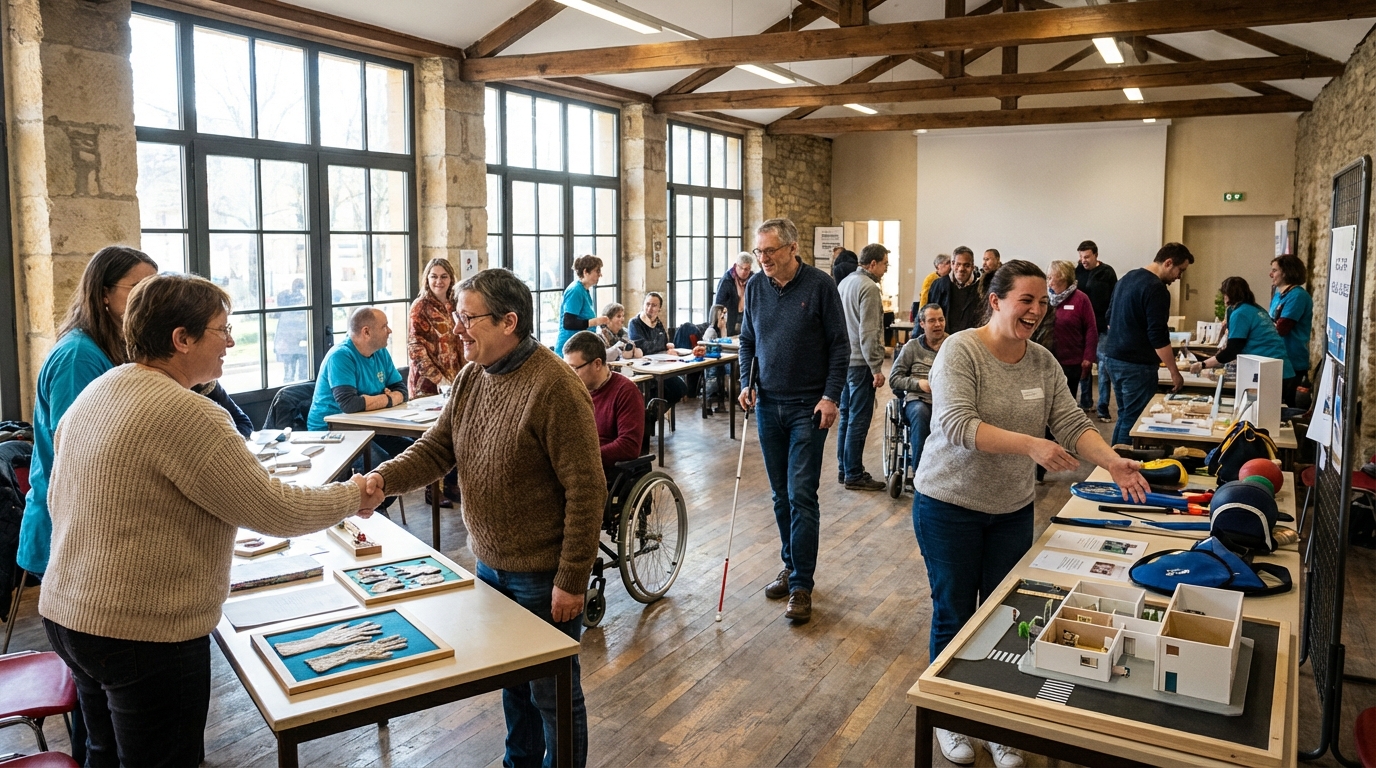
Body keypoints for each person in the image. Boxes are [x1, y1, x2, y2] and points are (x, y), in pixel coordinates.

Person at [40, 273, 381, 768]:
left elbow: (59, 499)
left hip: (70, 612)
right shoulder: (187, 413)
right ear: (182, 339)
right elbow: (274, 509)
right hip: (142, 631)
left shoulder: (99, 390)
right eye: (222, 330)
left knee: (104, 754)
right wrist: (352, 495)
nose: (231, 342)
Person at [363, 268, 604, 768]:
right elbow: (437, 449)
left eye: (468, 318)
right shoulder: (472, 378)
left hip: (543, 574)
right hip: (491, 566)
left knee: (553, 693)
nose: (457, 328)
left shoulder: (555, 386)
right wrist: (383, 480)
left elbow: (587, 490)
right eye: (457, 316)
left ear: (508, 322)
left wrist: (571, 579)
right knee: (514, 686)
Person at [913, 261, 1148, 768]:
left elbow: (1070, 421)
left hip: (1011, 509)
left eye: (1043, 302)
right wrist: (1031, 445)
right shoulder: (960, 350)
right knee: (956, 613)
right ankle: (952, 715)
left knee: (1008, 615)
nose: (1037, 310)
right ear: (995, 301)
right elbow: (956, 424)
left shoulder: (1041, 360)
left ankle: (998, 722)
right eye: (1027, 300)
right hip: (949, 505)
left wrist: (1112, 462)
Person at [17, 245, 158, 579]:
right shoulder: (78, 356)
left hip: (95, 518)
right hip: (68, 528)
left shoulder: (116, 345)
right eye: (138, 288)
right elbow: (78, 447)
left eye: (154, 287)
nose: (150, 299)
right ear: (104, 294)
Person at [738, 218, 849, 624]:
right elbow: (747, 340)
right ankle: (790, 565)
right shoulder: (755, 286)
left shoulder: (820, 285)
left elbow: (840, 346)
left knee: (801, 494)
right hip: (768, 404)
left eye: (770, 251)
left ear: (792, 248)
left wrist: (830, 396)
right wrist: (745, 381)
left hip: (808, 407)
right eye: (759, 251)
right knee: (780, 496)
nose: (763, 259)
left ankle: (802, 584)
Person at [1098, 243, 1194, 447]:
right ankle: (1122, 460)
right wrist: (1174, 372)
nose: (1179, 277)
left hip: (1113, 357)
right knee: (1135, 419)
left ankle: (1114, 457)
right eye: (1180, 270)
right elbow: (1158, 335)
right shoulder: (1156, 288)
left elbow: (1109, 318)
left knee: (1125, 414)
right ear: (1168, 263)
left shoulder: (1126, 278)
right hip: (1136, 365)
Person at [308, 307, 412, 477]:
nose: (390, 331)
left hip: (369, 425)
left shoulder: (380, 352)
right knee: (381, 467)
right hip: (332, 431)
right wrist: (389, 398)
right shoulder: (341, 356)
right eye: (384, 326)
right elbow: (350, 404)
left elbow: (401, 390)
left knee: (413, 451)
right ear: (366, 332)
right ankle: (366, 495)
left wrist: (372, 400)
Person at [1191, 276, 1298, 403]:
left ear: (1228, 295)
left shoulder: (1240, 313)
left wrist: (1203, 364)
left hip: (1270, 373)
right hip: (1283, 370)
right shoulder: (1255, 309)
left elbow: (1232, 350)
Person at [836, 243, 890, 491]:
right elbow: (869, 332)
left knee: (846, 416)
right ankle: (854, 473)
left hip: (844, 361)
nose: (886, 270)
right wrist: (876, 367)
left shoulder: (845, 283)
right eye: (885, 264)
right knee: (858, 419)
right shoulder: (868, 287)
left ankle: (844, 468)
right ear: (873, 264)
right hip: (860, 363)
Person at [564, 331, 645, 473]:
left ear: (597, 364)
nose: (570, 376)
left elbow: (629, 446)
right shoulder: (575, 391)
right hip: (576, 463)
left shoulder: (626, 392)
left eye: (574, 369)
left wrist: (586, 458)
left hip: (604, 469)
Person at [889, 303, 947, 475]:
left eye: (941, 319)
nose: (938, 324)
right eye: (932, 321)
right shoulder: (912, 347)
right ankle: (921, 474)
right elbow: (894, 379)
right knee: (921, 413)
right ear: (922, 324)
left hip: (946, 400)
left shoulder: (953, 344)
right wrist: (919, 384)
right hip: (918, 400)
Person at [1074, 241, 1118, 423]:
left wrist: (1111, 322)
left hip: (1102, 326)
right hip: (1082, 326)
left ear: (1096, 255)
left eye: (1086, 257)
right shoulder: (1077, 271)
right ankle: (1085, 403)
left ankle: (1103, 408)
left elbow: (1115, 298)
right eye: (1081, 257)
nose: (1083, 260)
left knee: (1103, 369)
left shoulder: (1107, 272)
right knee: (1083, 365)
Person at [409, 257, 464, 398]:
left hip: (455, 376)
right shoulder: (420, 306)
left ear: (451, 279)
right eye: (434, 276)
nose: (439, 281)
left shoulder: (456, 304)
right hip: (427, 383)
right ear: (427, 279)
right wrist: (440, 380)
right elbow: (415, 349)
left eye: (444, 277)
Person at [1047, 260, 1099, 397]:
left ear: (1063, 277)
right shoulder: (1045, 299)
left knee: (1067, 400)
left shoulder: (1081, 299)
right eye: (1048, 277)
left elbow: (1091, 329)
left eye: (1051, 277)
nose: (1048, 282)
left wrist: (1088, 358)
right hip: (1047, 360)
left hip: (1071, 363)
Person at [628, 292, 688, 408]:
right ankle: (652, 413)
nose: (650, 308)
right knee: (666, 390)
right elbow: (643, 347)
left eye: (654, 305)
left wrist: (663, 345)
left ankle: (655, 413)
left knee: (681, 388)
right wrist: (659, 343)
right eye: (647, 304)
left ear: (659, 308)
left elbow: (665, 342)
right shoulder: (635, 322)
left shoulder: (657, 322)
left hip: (660, 365)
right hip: (644, 367)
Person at [1268, 253, 1313, 385]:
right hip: (1276, 357)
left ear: (1286, 272)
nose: (1270, 274)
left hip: (1291, 361)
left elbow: (1281, 328)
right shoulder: (1278, 295)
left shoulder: (1297, 296)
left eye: (1274, 270)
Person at [556, 255, 609, 354]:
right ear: (585, 272)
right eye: (597, 271)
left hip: (579, 348)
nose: (600, 274)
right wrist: (595, 321)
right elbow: (568, 323)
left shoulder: (584, 290)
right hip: (570, 350)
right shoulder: (575, 291)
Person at [927, 247, 983, 334]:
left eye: (966, 265)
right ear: (952, 264)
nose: (961, 269)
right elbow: (929, 313)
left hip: (972, 338)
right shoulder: (939, 285)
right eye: (958, 264)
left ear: (972, 266)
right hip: (944, 338)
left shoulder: (981, 288)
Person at [274, 277, 309, 382]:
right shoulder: (301, 300)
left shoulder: (292, 301)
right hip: (292, 340)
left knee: (292, 371)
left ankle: (291, 382)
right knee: (299, 372)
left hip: (296, 340)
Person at [714, 252, 753, 335]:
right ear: (736, 266)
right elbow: (718, 304)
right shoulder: (726, 280)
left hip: (747, 319)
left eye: (747, 269)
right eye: (741, 268)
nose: (743, 272)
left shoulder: (753, 279)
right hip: (729, 320)